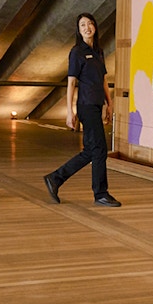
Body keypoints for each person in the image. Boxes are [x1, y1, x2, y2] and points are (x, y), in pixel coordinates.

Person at [44, 13, 120, 207]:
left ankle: (55, 178)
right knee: (100, 149)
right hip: (86, 106)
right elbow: (71, 83)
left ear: (95, 27)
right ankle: (100, 193)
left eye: (90, 24)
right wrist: (69, 111)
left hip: (97, 104)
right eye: (83, 25)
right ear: (78, 30)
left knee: (90, 151)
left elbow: (103, 80)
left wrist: (109, 103)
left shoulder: (99, 52)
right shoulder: (77, 52)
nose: (87, 28)